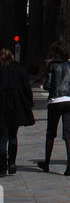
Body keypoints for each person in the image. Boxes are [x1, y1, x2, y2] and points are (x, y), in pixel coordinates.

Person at [38, 42, 70, 176]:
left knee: (51, 132)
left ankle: (46, 163)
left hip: (55, 101)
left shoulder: (52, 66)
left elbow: (47, 85)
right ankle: (69, 165)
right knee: (68, 134)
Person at [0, 47, 34, 176]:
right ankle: (12, 163)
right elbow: (26, 86)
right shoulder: (19, 69)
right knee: (13, 135)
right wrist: (29, 103)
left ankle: (2, 166)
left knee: (2, 137)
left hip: (2, 106)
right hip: (16, 106)